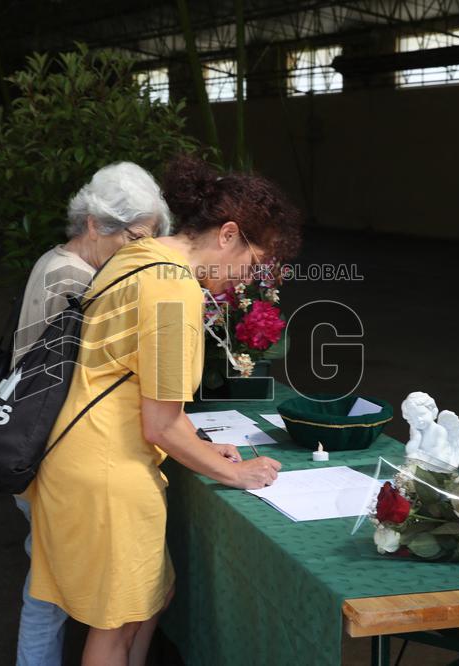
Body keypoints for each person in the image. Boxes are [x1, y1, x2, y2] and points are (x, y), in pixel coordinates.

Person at [27, 155, 303, 666]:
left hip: (76, 455)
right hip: (108, 470)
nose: (246, 280)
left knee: (149, 600)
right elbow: (160, 423)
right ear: (227, 234)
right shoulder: (174, 289)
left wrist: (199, 446)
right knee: (115, 625)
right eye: (251, 263)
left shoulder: (141, 255)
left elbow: (130, 382)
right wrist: (234, 472)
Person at [12, 161, 172, 666]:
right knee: (51, 597)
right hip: (56, 453)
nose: (140, 250)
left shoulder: (59, 263)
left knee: (49, 589)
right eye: (135, 237)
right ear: (93, 224)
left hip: (41, 446)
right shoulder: (76, 281)